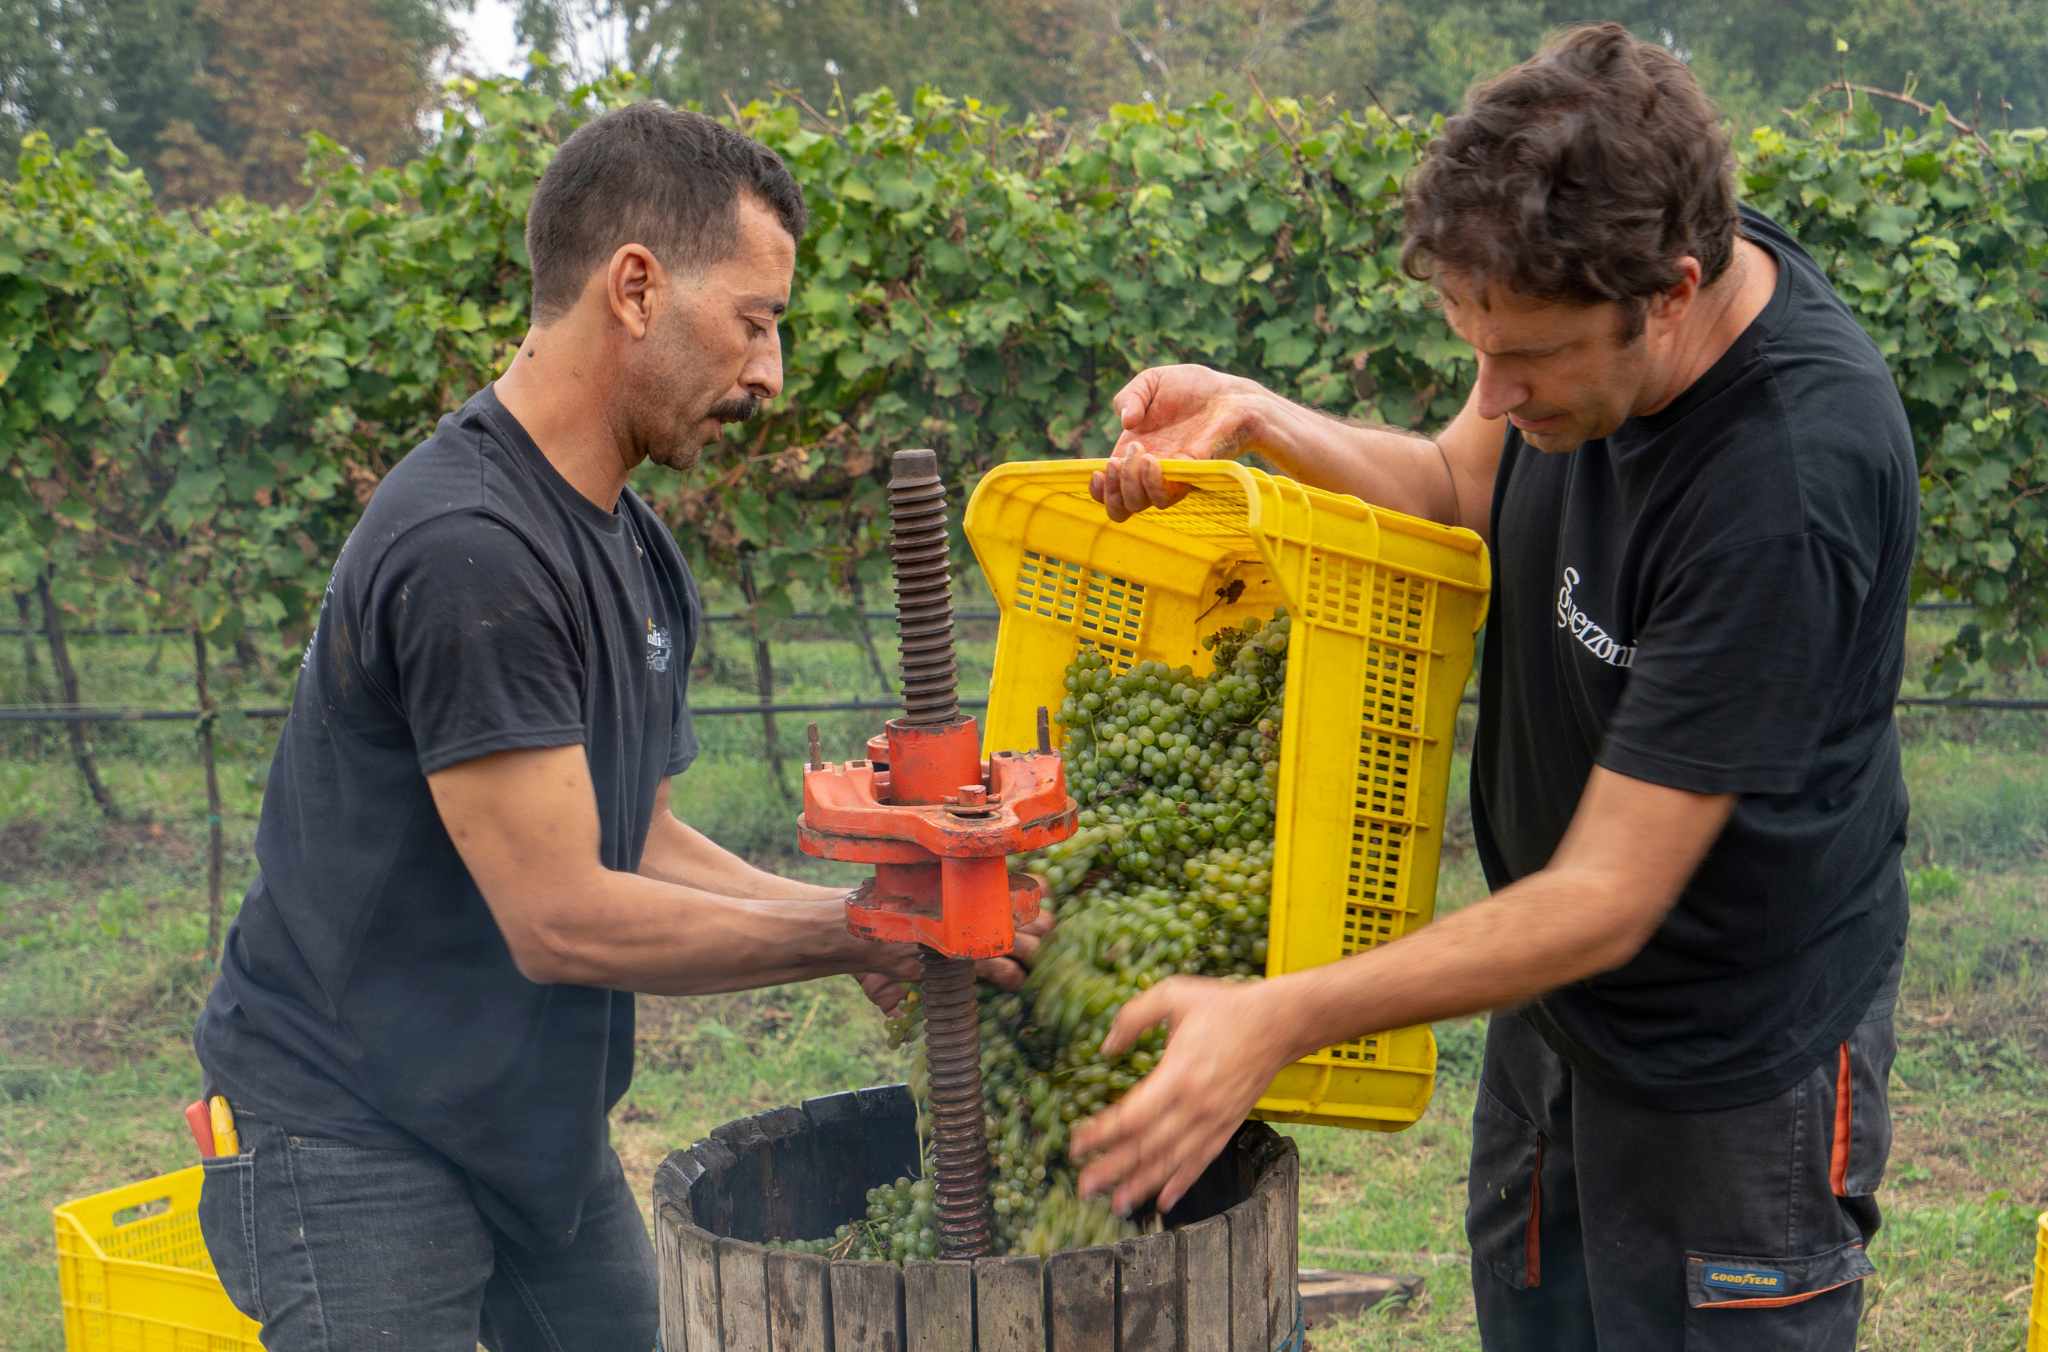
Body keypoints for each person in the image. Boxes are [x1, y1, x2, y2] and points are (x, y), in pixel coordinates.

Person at [1069, 24, 1914, 1349]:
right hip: (1553, 1010)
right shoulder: (1577, 319)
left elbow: (1606, 896)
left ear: (1671, 293)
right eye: (1474, 348)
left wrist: (1275, 1017)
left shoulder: (1785, 488)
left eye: (1526, 359)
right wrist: (1261, 416)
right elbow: (1464, 486)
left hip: (1731, 1060)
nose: (1494, 393)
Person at [191, 103, 1041, 1350]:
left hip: (522, 1124)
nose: (770, 375)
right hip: (346, 1129)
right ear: (634, 287)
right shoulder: (467, 550)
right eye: (753, 322)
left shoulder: (629, 542)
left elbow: (632, 840)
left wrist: (865, 924)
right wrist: (864, 925)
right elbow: (562, 915)